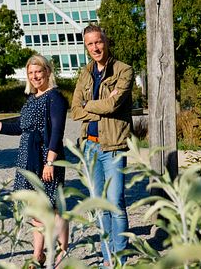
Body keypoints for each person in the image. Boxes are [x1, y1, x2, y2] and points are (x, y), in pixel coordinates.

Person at [0, 54, 69, 267]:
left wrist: (50, 162)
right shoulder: (31, 99)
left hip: (45, 158)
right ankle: (37, 255)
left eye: (38, 72)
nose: (34, 77)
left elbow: (57, 133)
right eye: (31, 73)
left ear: (47, 72)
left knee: (52, 208)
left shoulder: (55, 98)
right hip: (27, 158)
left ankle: (62, 250)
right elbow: (19, 128)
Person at [70, 24, 134, 266]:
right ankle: (108, 259)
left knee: (115, 201)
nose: (95, 47)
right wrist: (98, 105)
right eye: (90, 44)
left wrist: (90, 105)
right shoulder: (85, 74)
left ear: (106, 42)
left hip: (114, 146)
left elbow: (113, 105)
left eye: (98, 42)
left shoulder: (123, 70)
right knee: (99, 206)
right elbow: (75, 110)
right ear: (86, 47)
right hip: (90, 147)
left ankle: (121, 259)